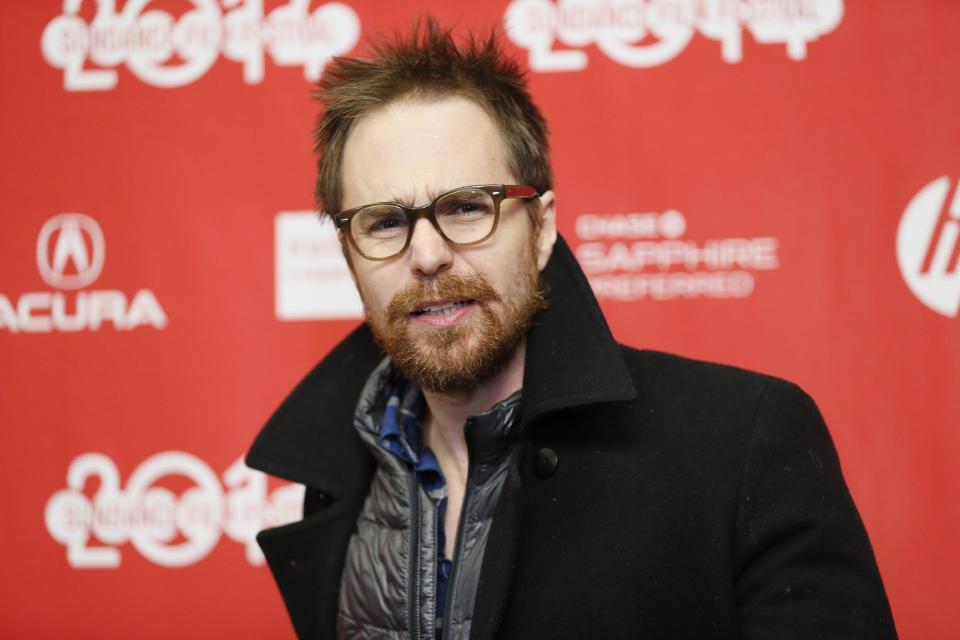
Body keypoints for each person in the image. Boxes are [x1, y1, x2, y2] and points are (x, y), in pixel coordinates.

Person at [246, 18, 897, 640]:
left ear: (542, 228)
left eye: (468, 207)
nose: (427, 255)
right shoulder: (339, 479)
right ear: (348, 253)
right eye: (384, 223)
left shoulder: (742, 443)